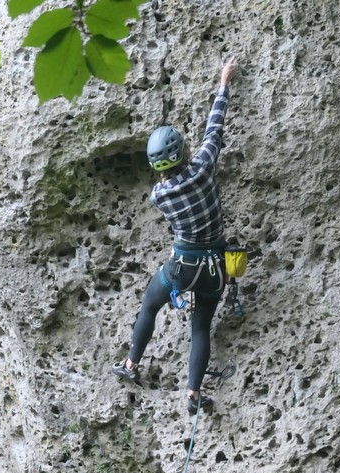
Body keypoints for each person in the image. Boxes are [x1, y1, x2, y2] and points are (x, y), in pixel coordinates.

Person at [112, 57, 239, 415]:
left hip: (182, 266)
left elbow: (172, 184)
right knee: (200, 330)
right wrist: (223, 83)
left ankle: (132, 364)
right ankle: (194, 395)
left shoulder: (160, 195)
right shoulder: (202, 167)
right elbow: (214, 130)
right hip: (216, 268)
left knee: (150, 305)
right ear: (183, 152)